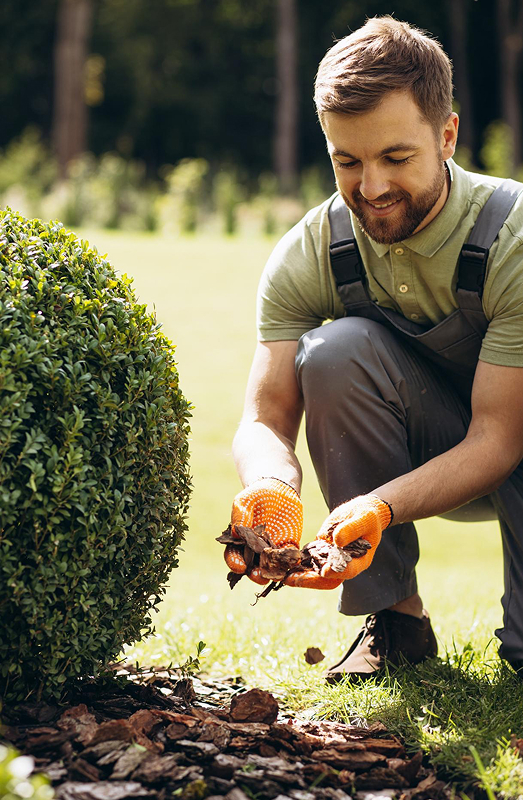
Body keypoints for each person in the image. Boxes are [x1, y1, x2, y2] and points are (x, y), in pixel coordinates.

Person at [224, 16, 523, 682]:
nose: (371, 187)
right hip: (440, 444)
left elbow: (501, 440)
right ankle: (397, 622)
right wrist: (271, 487)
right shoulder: (311, 252)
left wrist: (377, 506)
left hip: (511, 440)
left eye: (396, 158)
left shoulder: (514, 240)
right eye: (347, 161)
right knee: (334, 351)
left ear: (446, 136)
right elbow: (265, 417)